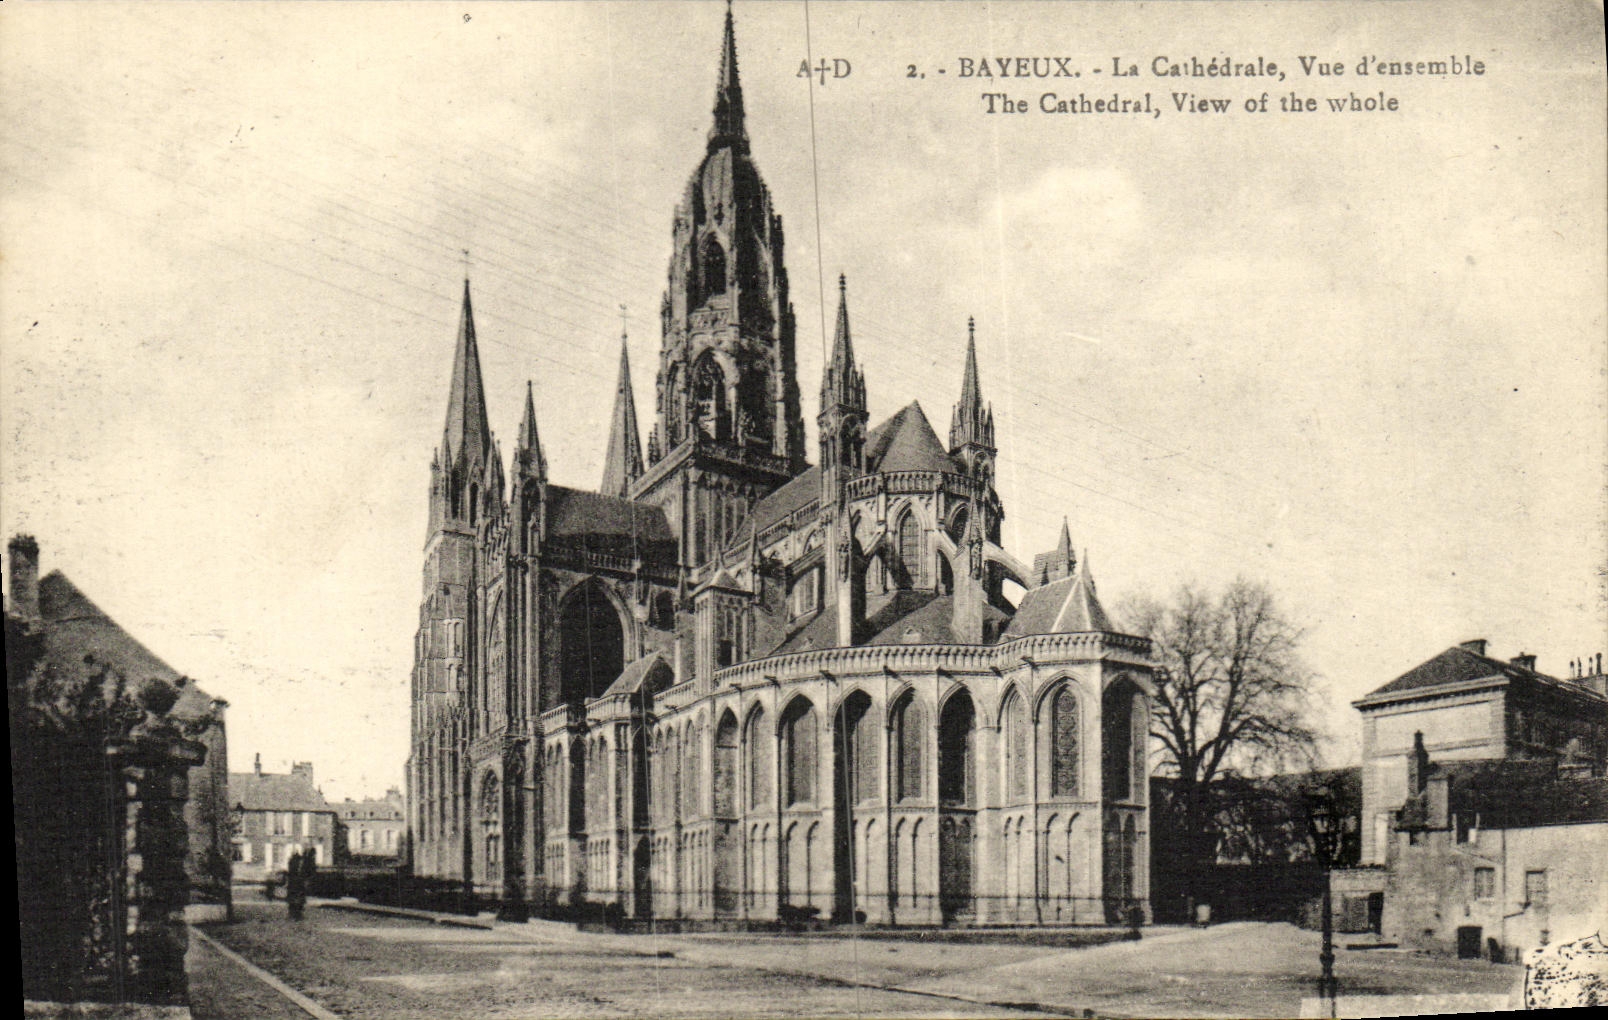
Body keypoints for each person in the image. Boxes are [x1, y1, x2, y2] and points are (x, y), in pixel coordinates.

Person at [285, 850, 308, 921]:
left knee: (294, 899)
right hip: (297, 884)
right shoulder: (299, 867)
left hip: (294, 884)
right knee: (298, 899)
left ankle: (294, 914)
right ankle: (297, 914)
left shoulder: (292, 866)